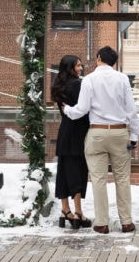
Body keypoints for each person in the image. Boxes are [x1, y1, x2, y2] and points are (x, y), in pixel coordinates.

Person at [63, 46, 139, 234]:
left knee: (98, 180)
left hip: (96, 133)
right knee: (122, 179)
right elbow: (131, 109)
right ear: (114, 62)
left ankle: (102, 223)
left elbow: (81, 109)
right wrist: (134, 134)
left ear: (98, 58)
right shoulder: (122, 79)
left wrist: (67, 109)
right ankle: (126, 222)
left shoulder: (89, 80)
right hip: (119, 133)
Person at [50, 55, 92, 229]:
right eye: (78, 66)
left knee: (64, 171)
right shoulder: (78, 85)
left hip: (65, 130)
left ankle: (65, 210)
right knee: (78, 172)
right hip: (78, 132)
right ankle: (78, 212)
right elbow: (84, 110)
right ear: (70, 68)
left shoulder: (58, 85)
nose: (81, 68)